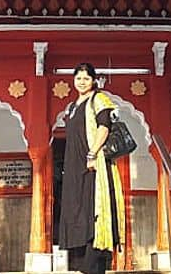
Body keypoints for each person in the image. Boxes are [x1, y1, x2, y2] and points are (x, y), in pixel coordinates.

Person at [58, 62, 125, 274]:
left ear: (93, 80)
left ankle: (93, 263)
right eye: (78, 78)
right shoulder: (73, 106)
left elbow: (104, 126)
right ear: (73, 80)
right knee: (76, 209)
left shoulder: (99, 99)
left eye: (86, 78)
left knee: (92, 209)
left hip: (92, 163)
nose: (82, 82)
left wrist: (92, 153)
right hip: (74, 166)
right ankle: (81, 264)